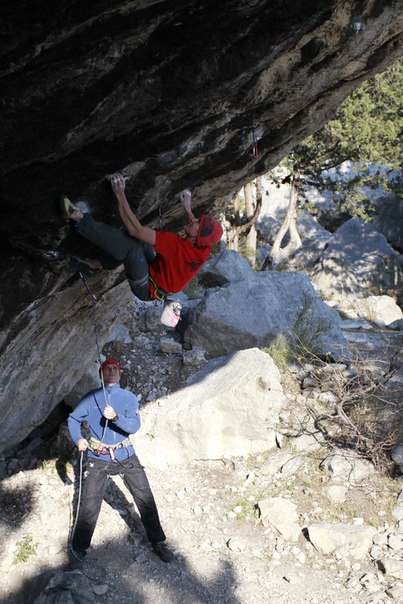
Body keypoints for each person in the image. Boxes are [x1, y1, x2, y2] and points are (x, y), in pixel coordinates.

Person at [60, 174, 223, 325]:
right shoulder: (203, 247)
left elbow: (134, 230)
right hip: (157, 273)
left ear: (197, 237)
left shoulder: (176, 246)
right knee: (140, 243)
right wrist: (187, 208)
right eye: (198, 219)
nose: (194, 220)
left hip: (146, 288)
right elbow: (196, 228)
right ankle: (95, 265)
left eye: (197, 223)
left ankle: (77, 218)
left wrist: (120, 194)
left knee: (132, 246)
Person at [67, 358, 174, 564]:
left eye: (115, 368)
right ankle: (78, 549)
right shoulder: (91, 398)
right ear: (101, 374)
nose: (112, 371)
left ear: (120, 373)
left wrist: (115, 417)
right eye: (107, 369)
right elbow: (73, 419)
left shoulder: (128, 397)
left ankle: (158, 542)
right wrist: (79, 439)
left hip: (125, 454)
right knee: (90, 503)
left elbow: (133, 426)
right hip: (98, 455)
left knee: (145, 497)